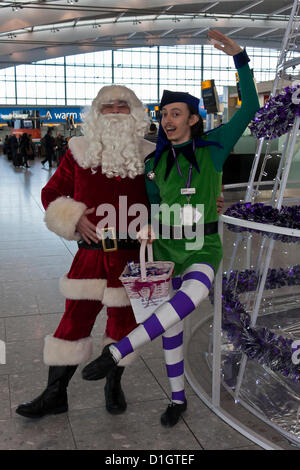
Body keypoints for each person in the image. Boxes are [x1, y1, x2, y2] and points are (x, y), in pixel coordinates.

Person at [81, 30, 260, 427]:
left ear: (194, 119)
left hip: (203, 249)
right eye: (163, 115)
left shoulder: (215, 146)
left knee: (193, 295)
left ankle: (116, 352)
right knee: (172, 328)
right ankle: (177, 400)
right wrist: (147, 226)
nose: (167, 120)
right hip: (165, 253)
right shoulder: (155, 163)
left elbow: (249, 107)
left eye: (176, 113)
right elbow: (156, 206)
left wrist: (241, 58)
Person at [15, 84, 156, 419]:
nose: (116, 112)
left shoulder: (152, 153)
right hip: (90, 254)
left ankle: (113, 384)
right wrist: (74, 218)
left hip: (132, 256)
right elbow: (51, 192)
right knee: (73, 321)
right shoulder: (77, 150)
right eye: (108, 107)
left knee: (123, 324)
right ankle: (55, 394)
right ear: (97, 113)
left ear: (134, 112)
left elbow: (176, 191)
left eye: (123, 106)